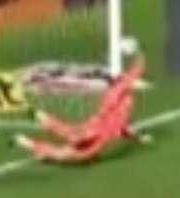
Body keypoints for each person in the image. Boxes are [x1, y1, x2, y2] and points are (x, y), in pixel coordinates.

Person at [15, 54, 153, 163]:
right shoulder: (117, 95)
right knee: (70, 140)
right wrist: (140, 59)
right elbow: (129, 79)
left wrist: (138, 137)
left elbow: (122, 127)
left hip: (96, 136)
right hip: (94, 133)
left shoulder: (125, 99)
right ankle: (30, 138)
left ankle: (35, 137)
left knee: (70, 143)